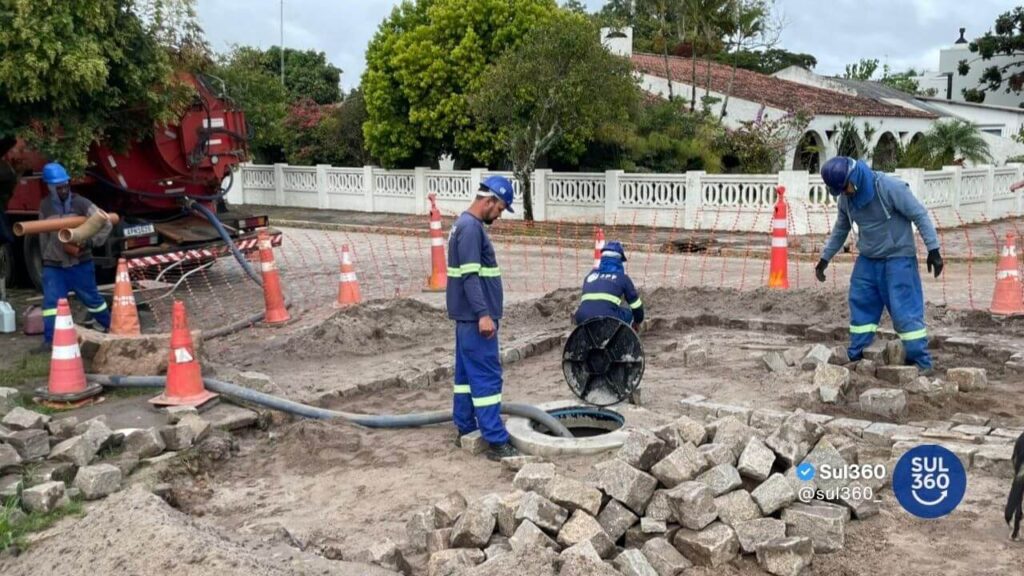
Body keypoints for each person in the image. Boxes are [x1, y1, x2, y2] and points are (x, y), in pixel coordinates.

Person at [814, 156, 942, 371]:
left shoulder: (889, 187)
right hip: (868, 260)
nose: (844, 193)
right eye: (840, 191)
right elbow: (841, 229)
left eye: (845, 188)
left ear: (854, 177)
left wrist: (934, 249)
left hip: (898, 259)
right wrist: (824, 258)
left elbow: (920, 215)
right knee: (861, 304)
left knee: (905, 312)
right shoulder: (846, 199)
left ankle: (920, 361)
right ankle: (858, 354)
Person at [446, 175, 519, 461]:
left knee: (466, 377)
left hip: (467, 320)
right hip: (477, 321)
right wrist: (484, 315)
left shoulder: (463, 226)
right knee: (487, 378)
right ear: (489, 200)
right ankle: (496, 440)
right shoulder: (471, 228)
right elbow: (471, 277)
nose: (499, 215)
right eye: (500, 209)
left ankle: (465, 428)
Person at [38, 162, 112, 351]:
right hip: (54, 266)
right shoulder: (45, 206)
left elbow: (106, 222)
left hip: (80, 263)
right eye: (59, 187)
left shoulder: (81, 203)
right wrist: (46, 259)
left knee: (92, 300)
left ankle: (112, 328)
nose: (63, 189)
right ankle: (51, 341)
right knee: (51, 304)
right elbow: (42, 236)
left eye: (65, 185)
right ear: (50, 187)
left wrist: (91, 242)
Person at [573, 241, 644, 330]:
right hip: (608, 319)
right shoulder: (623, 278)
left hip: (581, 317)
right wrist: (637, 321)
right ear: (619, 261)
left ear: (602, 259)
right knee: (629, 314)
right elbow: (636, 306)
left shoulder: (590, 275)